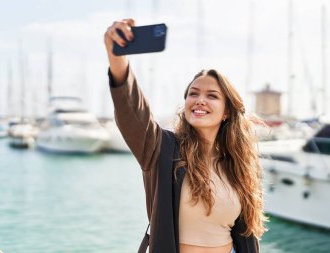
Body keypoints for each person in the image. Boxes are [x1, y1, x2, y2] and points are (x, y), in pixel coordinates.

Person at [104, 18, 267, 253]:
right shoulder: (163, 148)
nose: (200, 100)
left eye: (212, 95)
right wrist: (117, 59)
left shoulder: (238, 165)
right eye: (193, 93)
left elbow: (246, 235)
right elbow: (133, 114)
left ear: (227, 111)